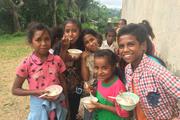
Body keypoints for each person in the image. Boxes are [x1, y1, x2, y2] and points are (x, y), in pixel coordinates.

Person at [117, 23, 180, 120]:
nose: (125, 50)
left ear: (143, 46)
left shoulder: (157, 71)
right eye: (121, 46)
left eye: (131, 44)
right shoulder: (128, 69)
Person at [12, 22, 68, 120]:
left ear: (51, 40)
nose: (43, 43)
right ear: (31, 42)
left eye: (47, 39)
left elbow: (63, 82)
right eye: (38, 40)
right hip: (38, 107)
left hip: (58, 103)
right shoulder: (27, 63)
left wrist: (66, 103)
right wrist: (36, 92)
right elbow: (15, 90)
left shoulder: (57, 60)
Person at [54, 19, 84, 120]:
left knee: (75, 104)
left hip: (77, 84)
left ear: (79, 32)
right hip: (62, 83)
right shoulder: (59, 45)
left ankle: (73, 116)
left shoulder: (82, 45)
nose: (71, 34)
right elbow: (57, 65)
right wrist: (64, 48)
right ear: (64, 32)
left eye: (74, 31)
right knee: (63, 107)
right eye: (67, 31)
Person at [87, 49, 129, 120]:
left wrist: (101, 106)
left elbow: (124, 112)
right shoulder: (101, 79)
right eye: (96, 68)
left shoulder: (119, 86)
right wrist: (93, 91)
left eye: (104, 68)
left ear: (113, 67)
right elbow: (102, 95)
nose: (99, 72)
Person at [78, 29, 100, 120]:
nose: (90, 43)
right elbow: (86, 78)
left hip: (103, 89)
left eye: (92, 39)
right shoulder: (86, 56)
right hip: (90, 90)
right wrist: (83, 59)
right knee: (90, 115)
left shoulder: (106, 53)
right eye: (87, 42)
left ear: (97, 38)